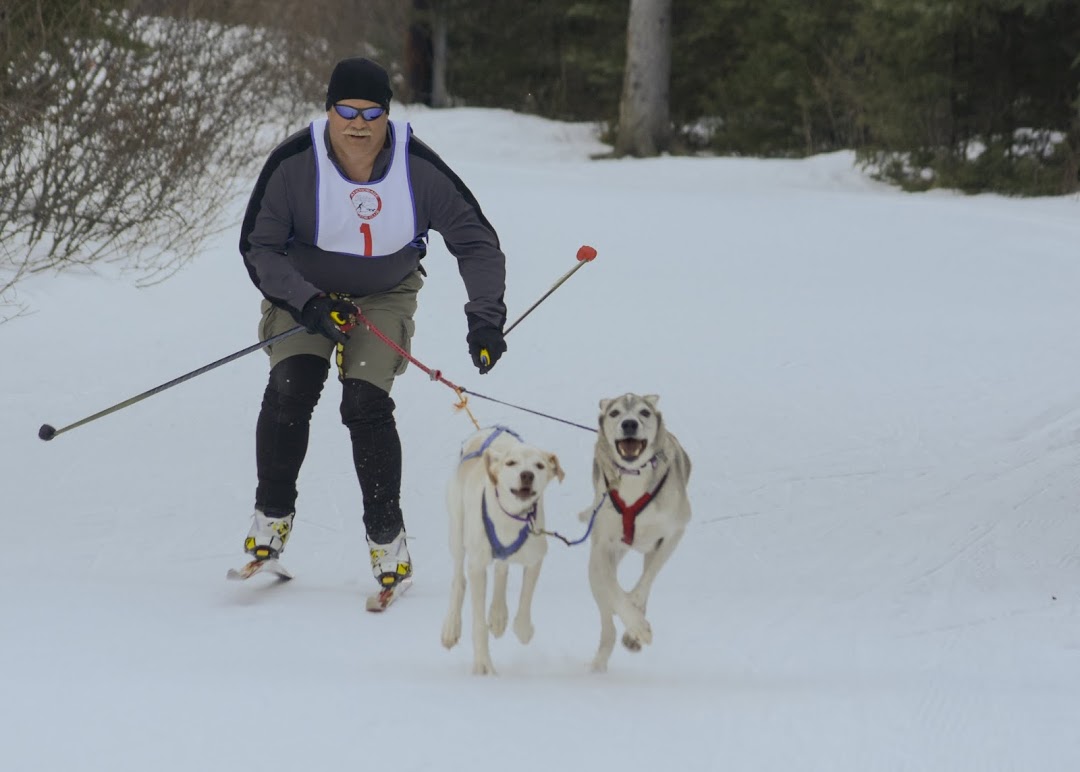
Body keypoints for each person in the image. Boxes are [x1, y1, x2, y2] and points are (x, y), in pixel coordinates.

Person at [238, 57, 508, 588]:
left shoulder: (419, 168)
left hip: (385, 293)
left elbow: (476, 243)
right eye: (346, 110)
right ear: (328, 111)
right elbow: (259, 246)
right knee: (292, 387)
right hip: (304, 294)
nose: (358, 123)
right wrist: (308, 302)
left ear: (387, 115)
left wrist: (485, 321)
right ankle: (270, 519)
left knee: (364, 401)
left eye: (371, 112)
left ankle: (387, 538)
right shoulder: (295, 163)